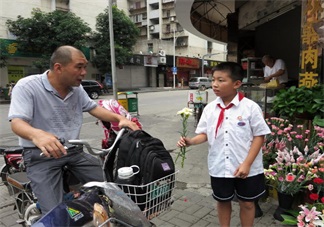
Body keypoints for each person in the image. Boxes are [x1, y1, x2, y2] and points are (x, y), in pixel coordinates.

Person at [8, 45, 140, 215]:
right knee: (55, 215)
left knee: (112, 187)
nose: (84, 72)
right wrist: (37, 135)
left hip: (73, 152)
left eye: (85, 67)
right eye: (79, 67)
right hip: (41, 156)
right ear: (58, 68)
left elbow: (94, 108)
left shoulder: (77, 89)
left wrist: (120, 118)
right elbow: (17, 122)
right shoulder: (27, 86)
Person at [177, 62, 271, 227]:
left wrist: (247, 163)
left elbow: (259, 136)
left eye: (221, 80)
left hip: (247, 167)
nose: (214, 84)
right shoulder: (210, 109)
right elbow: (204, 134)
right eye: (213, 79)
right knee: (222, 201)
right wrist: (190, 141)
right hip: (220, 165)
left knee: (248, 203)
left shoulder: (250, 108)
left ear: (236, 84)